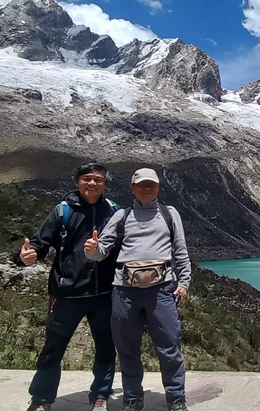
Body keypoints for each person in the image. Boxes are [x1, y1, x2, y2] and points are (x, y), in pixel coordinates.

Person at [84, 168, 191, 411]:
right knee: (127, 348)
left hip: (162, 290)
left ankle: (176, 398)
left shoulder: (169, 214)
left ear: (158, 188)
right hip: (124, 292)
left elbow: (181, 252)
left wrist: (183, 283)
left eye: (151, 184)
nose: (147, 188)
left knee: (170, 347)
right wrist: (91, 249)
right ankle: (132, 398)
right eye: (141, 184)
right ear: (132, 188)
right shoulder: (121, 216)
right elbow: (102, 251)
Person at [16, 163, 119, 411]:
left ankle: (100, 396)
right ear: (77, 182)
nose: (92, 184)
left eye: (98, 179)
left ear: (105, 184)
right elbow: (41, 243)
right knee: (53, 348)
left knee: (106, 348)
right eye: (87, 179)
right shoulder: (62, 212)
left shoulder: (114, 212)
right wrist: (28, 255)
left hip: (104, 294)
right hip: (66, 294)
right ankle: (41, 398)